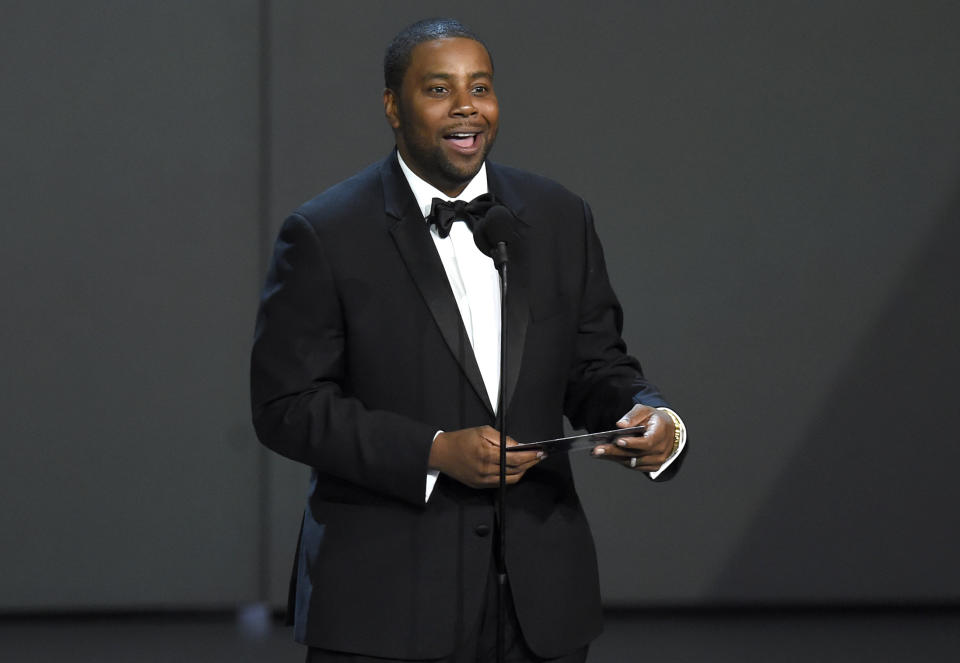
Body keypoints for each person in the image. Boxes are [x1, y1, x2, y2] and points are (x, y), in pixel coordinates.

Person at [251, 18, 687, 663]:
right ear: (392, 106)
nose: (466, 107)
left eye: (480, 87)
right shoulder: (325, 232)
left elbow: (596, 364)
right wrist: (432, 451)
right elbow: (287, 407)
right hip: (383, 605)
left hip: (540, 602)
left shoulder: (559, 215)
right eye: (439, 89)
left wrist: (649, 418)